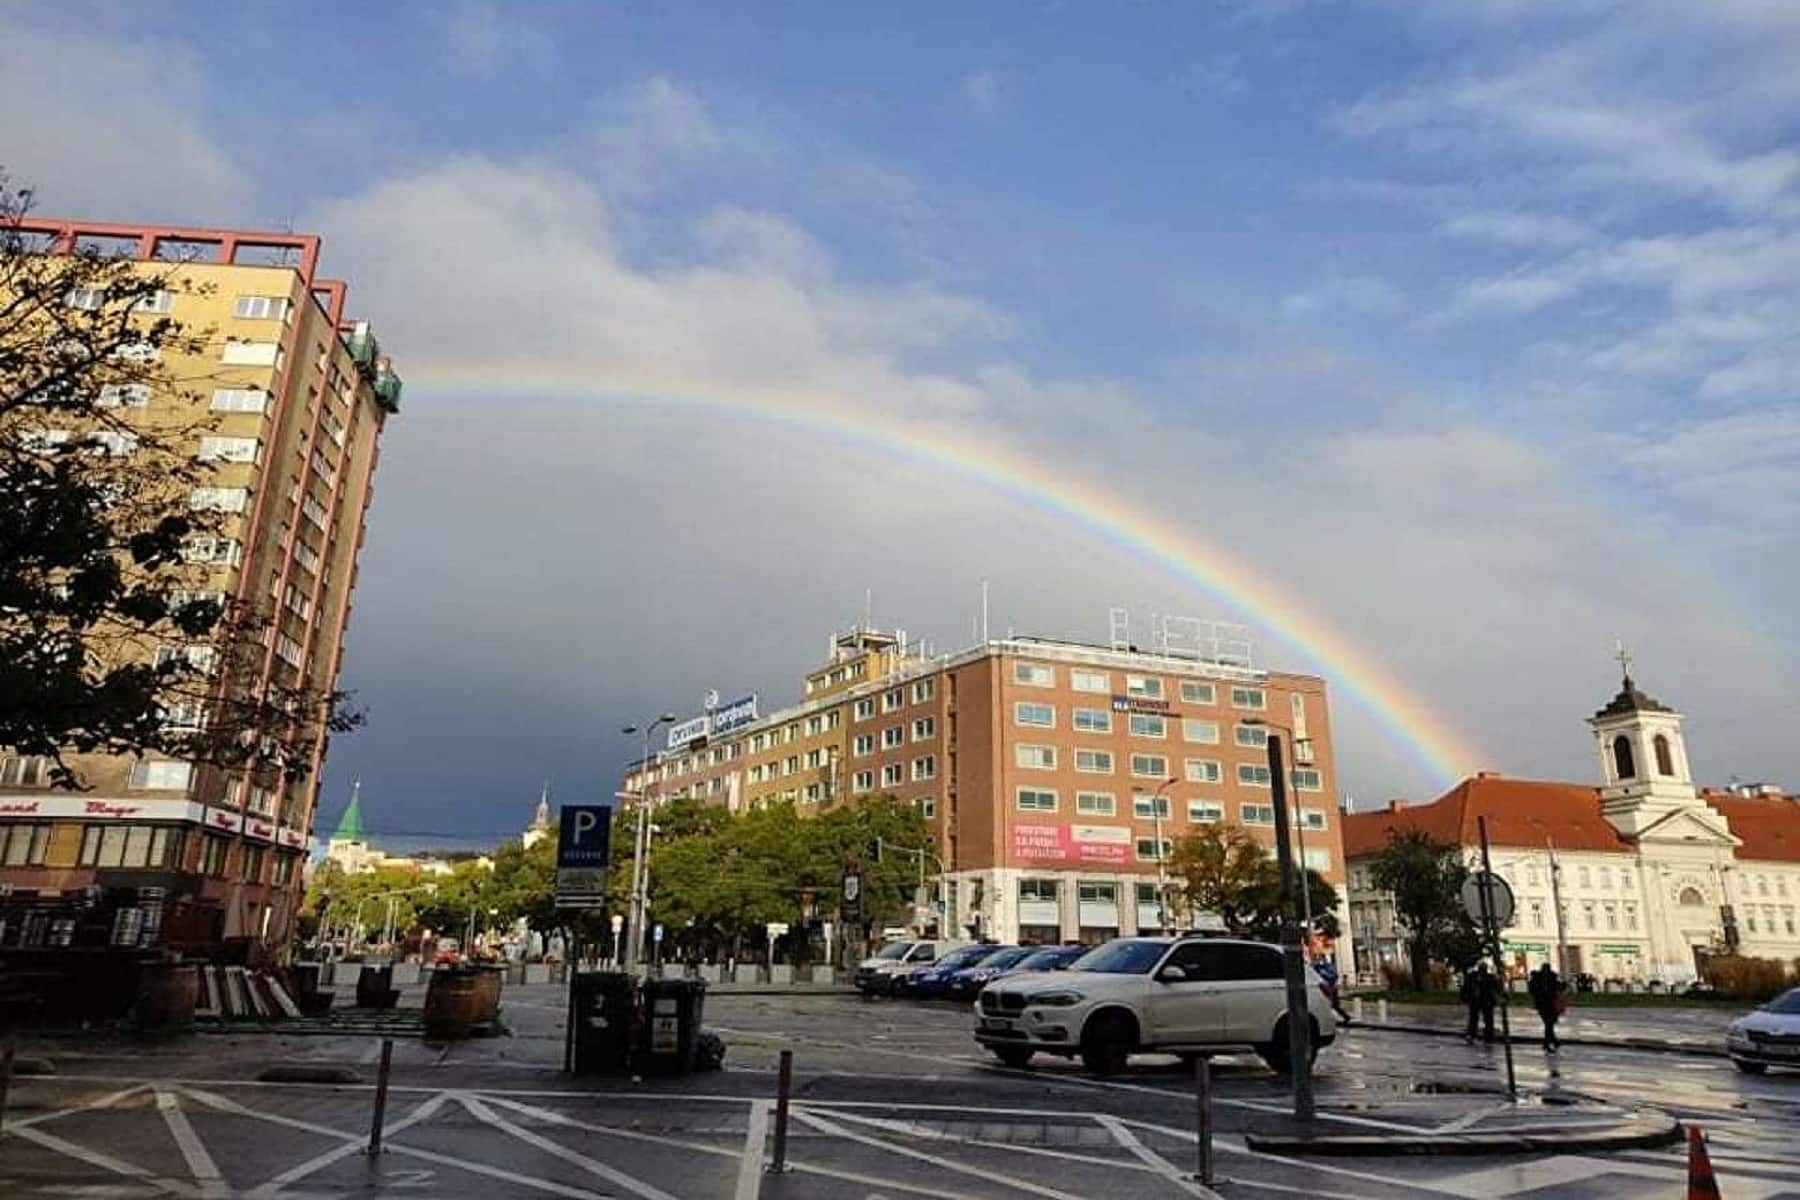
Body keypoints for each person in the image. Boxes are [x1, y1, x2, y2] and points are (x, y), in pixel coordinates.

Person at [1528, 962, 1566, 1052]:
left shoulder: (1537, 979)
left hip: (1541, 1004)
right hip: (1550, 1004)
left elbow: (1531, 990)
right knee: (1549, 1024)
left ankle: (1552, 1041)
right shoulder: (1551, 977)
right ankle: (1548, 1043)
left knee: (1548, 1023)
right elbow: (1559, 988)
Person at [1461, 963, 1498, 1043]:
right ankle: (1473, 1034)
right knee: (1474, 1019)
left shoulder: (1489, 978)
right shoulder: (1473, 976)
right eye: (1481, 969)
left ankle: (1487, 1036)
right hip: (1476, 1001)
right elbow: (1466, 988)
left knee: (1486, 1019)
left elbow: (1494, 989)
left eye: (1484, 969)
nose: (1482, 971)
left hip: (1485, 1001)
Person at [1314, 955, 1351, 1023]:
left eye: (1320, 958)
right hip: (1324, 988)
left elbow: (1334, 976)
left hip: (1330, 987)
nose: (1319, 960)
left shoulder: (1328, 966)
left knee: (1332, 1004)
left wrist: (1328, 980)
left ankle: (1345, 1017)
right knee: (1330, 1004)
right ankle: (1344, 1017)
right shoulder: (1317, 967)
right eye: (1318, 959)